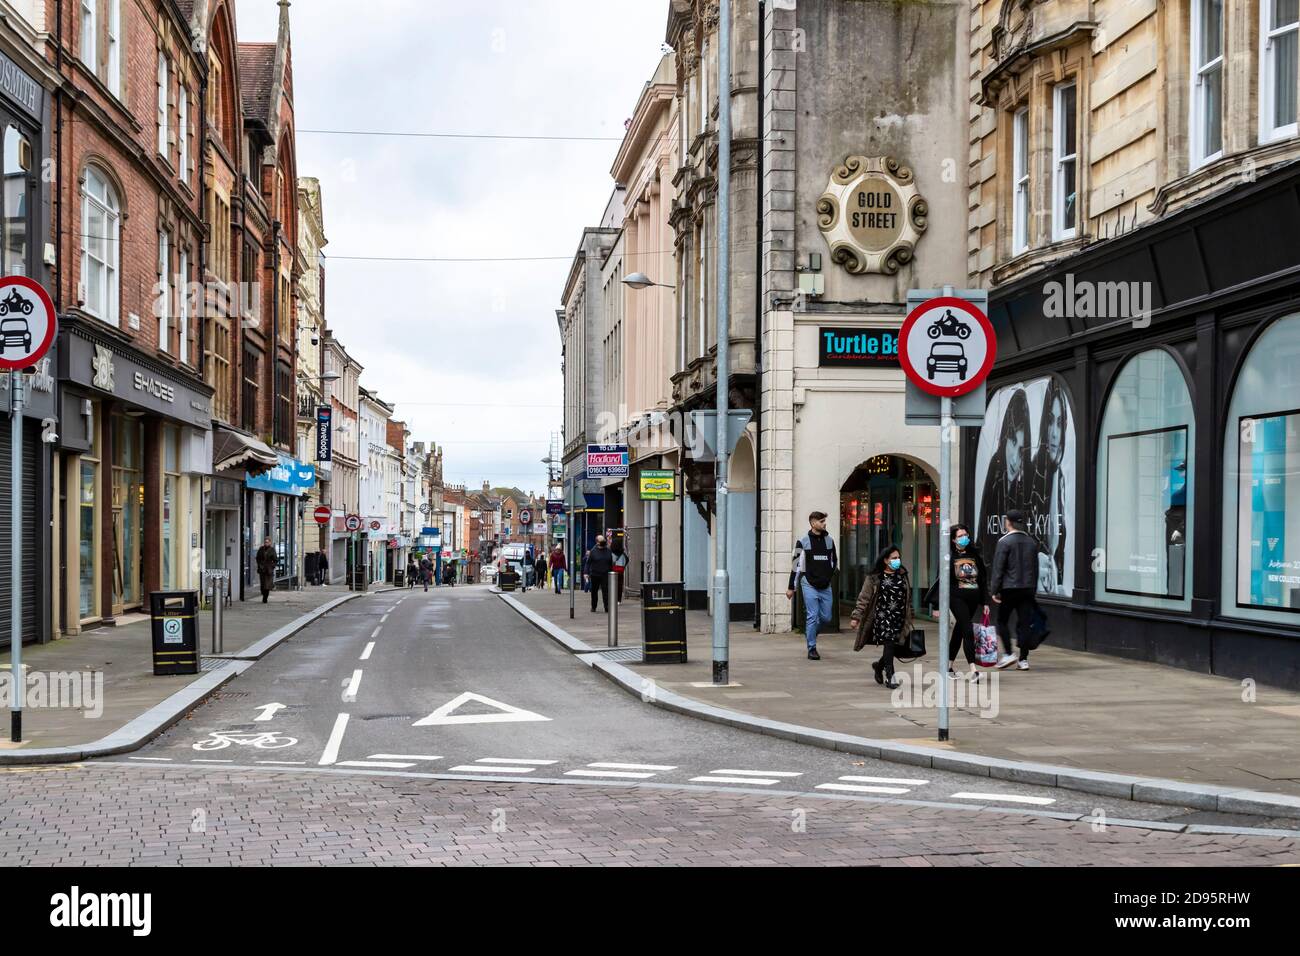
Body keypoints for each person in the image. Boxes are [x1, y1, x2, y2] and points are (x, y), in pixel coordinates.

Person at [926, 524, 989, 681]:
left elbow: (982, 579)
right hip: (956, 598)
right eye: (960, 536)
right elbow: (941, 582)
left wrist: (985, 602)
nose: (964, 538)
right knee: (968, 631)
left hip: (973, 599)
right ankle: (973, 670)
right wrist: (937, 605)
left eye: (966, 535)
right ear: (953, 539)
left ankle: (947, 667)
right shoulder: (949, 557)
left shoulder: (975, 555)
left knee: (959, 632)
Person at [849, 546, 914, 690]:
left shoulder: (902, 574)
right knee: (889, 642)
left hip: (899, 617)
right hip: (882, 617)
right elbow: (864, 597)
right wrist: (856, 616)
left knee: (894, 646)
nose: (897, 561)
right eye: (894, 558)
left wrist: (910, 614)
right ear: (885, 560)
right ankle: (890, 677)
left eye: (898, 558)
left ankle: (879, 666)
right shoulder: (875, 577)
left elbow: (907, 596)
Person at [989, 509, 1038, 670]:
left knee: (1002, 620)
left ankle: (1009, 653)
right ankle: (1023, 660)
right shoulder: (1031, 542)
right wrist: (1033, 588)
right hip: (1028, 588)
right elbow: (1035, 568)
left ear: (1007, 522)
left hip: (1010, 588)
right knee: (1024, 623)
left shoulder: (1004, 542)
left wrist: (994, 590)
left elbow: (998, 568)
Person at [785, 510, 838, 660]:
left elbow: (834, 561)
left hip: (825, 585)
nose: (824, 523)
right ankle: (812, 648)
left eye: (824, 521)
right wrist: (791, 588)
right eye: (821, 521)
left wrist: (828, 574)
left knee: (827, 618)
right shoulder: (802, 542)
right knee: (812, 616)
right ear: (813, 523)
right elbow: (795, 566)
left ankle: (811, 633)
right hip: (808, 584)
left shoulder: (830, 541)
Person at [586, 535, 614, 613]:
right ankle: (593, 606)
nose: (603, 541)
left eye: (603, 540)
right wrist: (586, 572)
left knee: (606, 591)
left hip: (605, 574)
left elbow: (611, 563)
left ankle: (607, 607)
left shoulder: (608, 550)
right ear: (597, 542)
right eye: (601, 540)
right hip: (595, 574)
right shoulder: (593, 551)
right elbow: (588, 563)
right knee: (594, 592)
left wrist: (612, 573)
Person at [255, 537, 277, 603]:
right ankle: (263, 593)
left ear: (270, 542)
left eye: (267, 542)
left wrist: (272, 566)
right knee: (262, 584)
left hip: (269, 570)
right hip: (262, 569)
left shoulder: (272, 550)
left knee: (267, 585)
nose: (266, 543)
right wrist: (259, 564)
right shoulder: (261, 549)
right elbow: (257, 558)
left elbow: (275, 560)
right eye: (265, 542)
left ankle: (265, 598)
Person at [610, 537, 629, 602]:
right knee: (619, 585)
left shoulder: (611, 552)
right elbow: (627, 559)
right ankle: (618, 600)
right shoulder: (623, 553)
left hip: (612, 571)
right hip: (620, 570)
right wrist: (623, 566)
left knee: (612, 584)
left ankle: (612, 598)